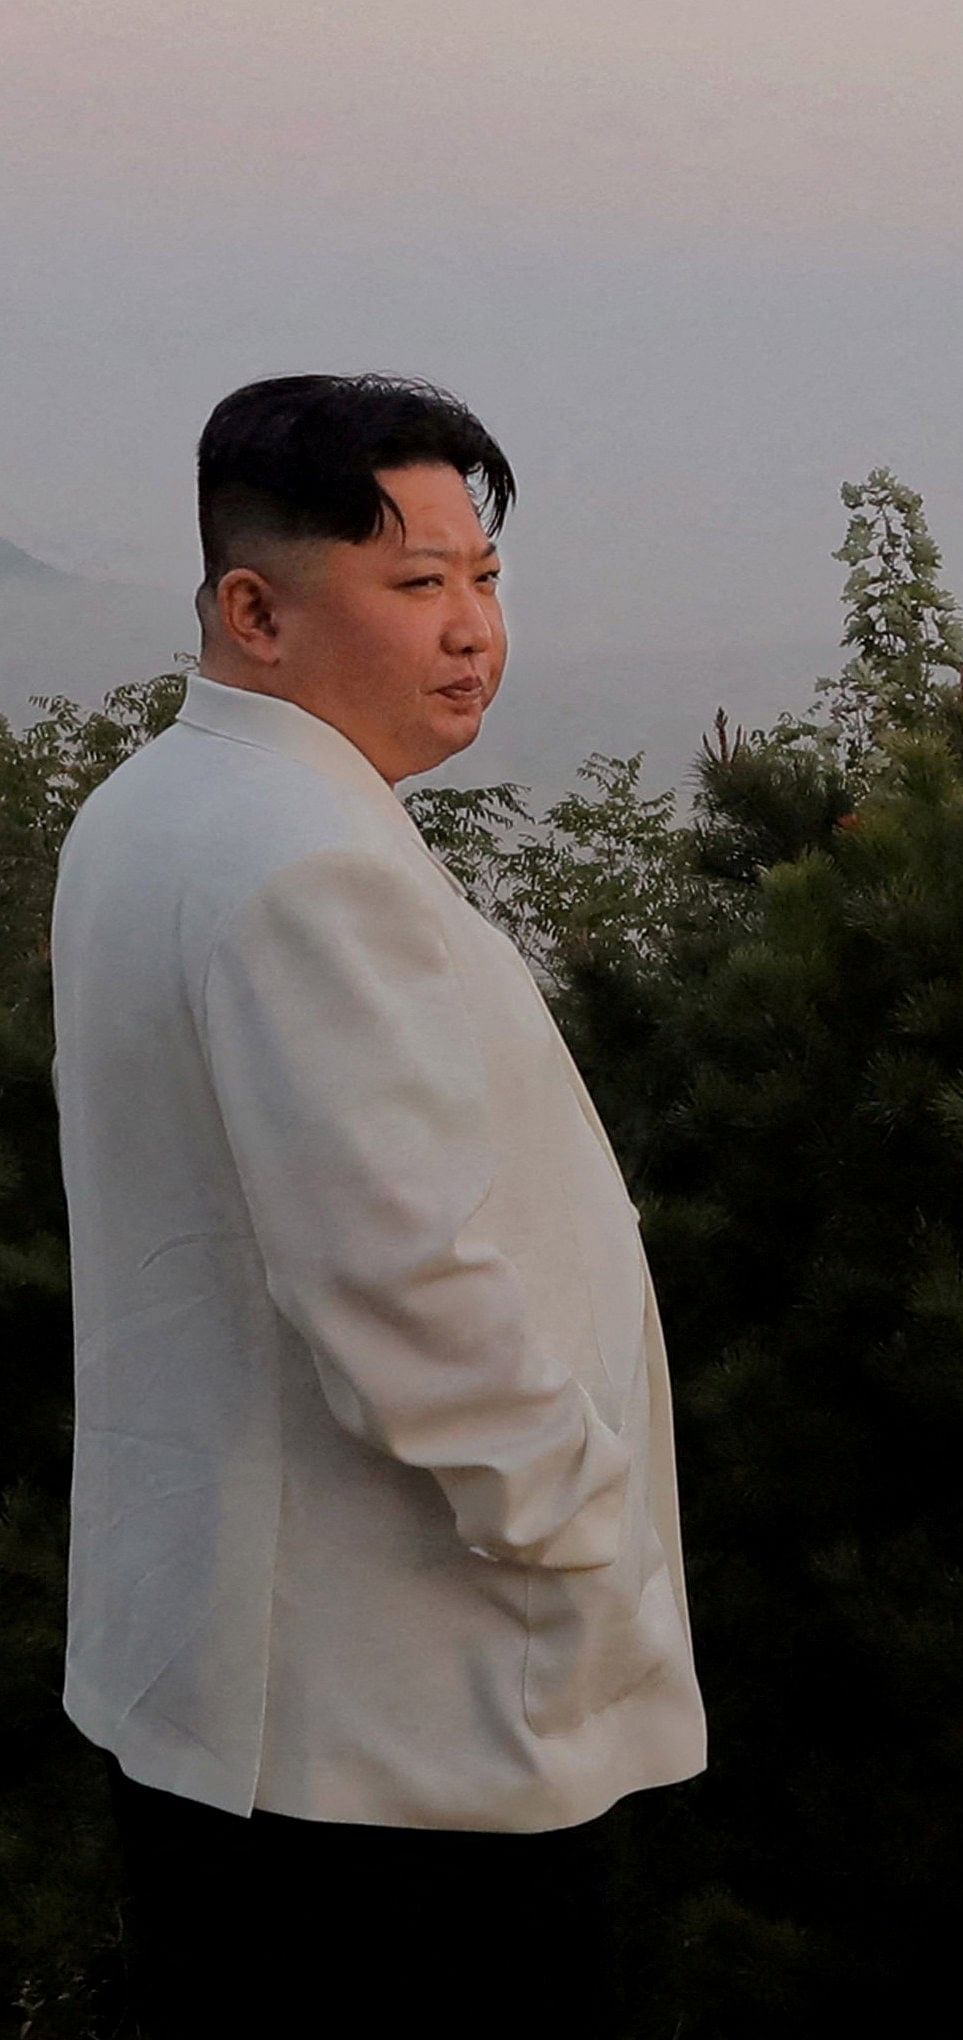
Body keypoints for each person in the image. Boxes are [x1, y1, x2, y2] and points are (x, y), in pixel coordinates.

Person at [51, 376, 704, 2034]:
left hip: (236, 1682)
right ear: (252, 609)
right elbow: (397, 1280)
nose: (471, 631)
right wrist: (579, 1528)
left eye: (481, 580)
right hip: (388, 1720)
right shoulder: (307, 862)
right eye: (415, 587)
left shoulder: (155, 812)